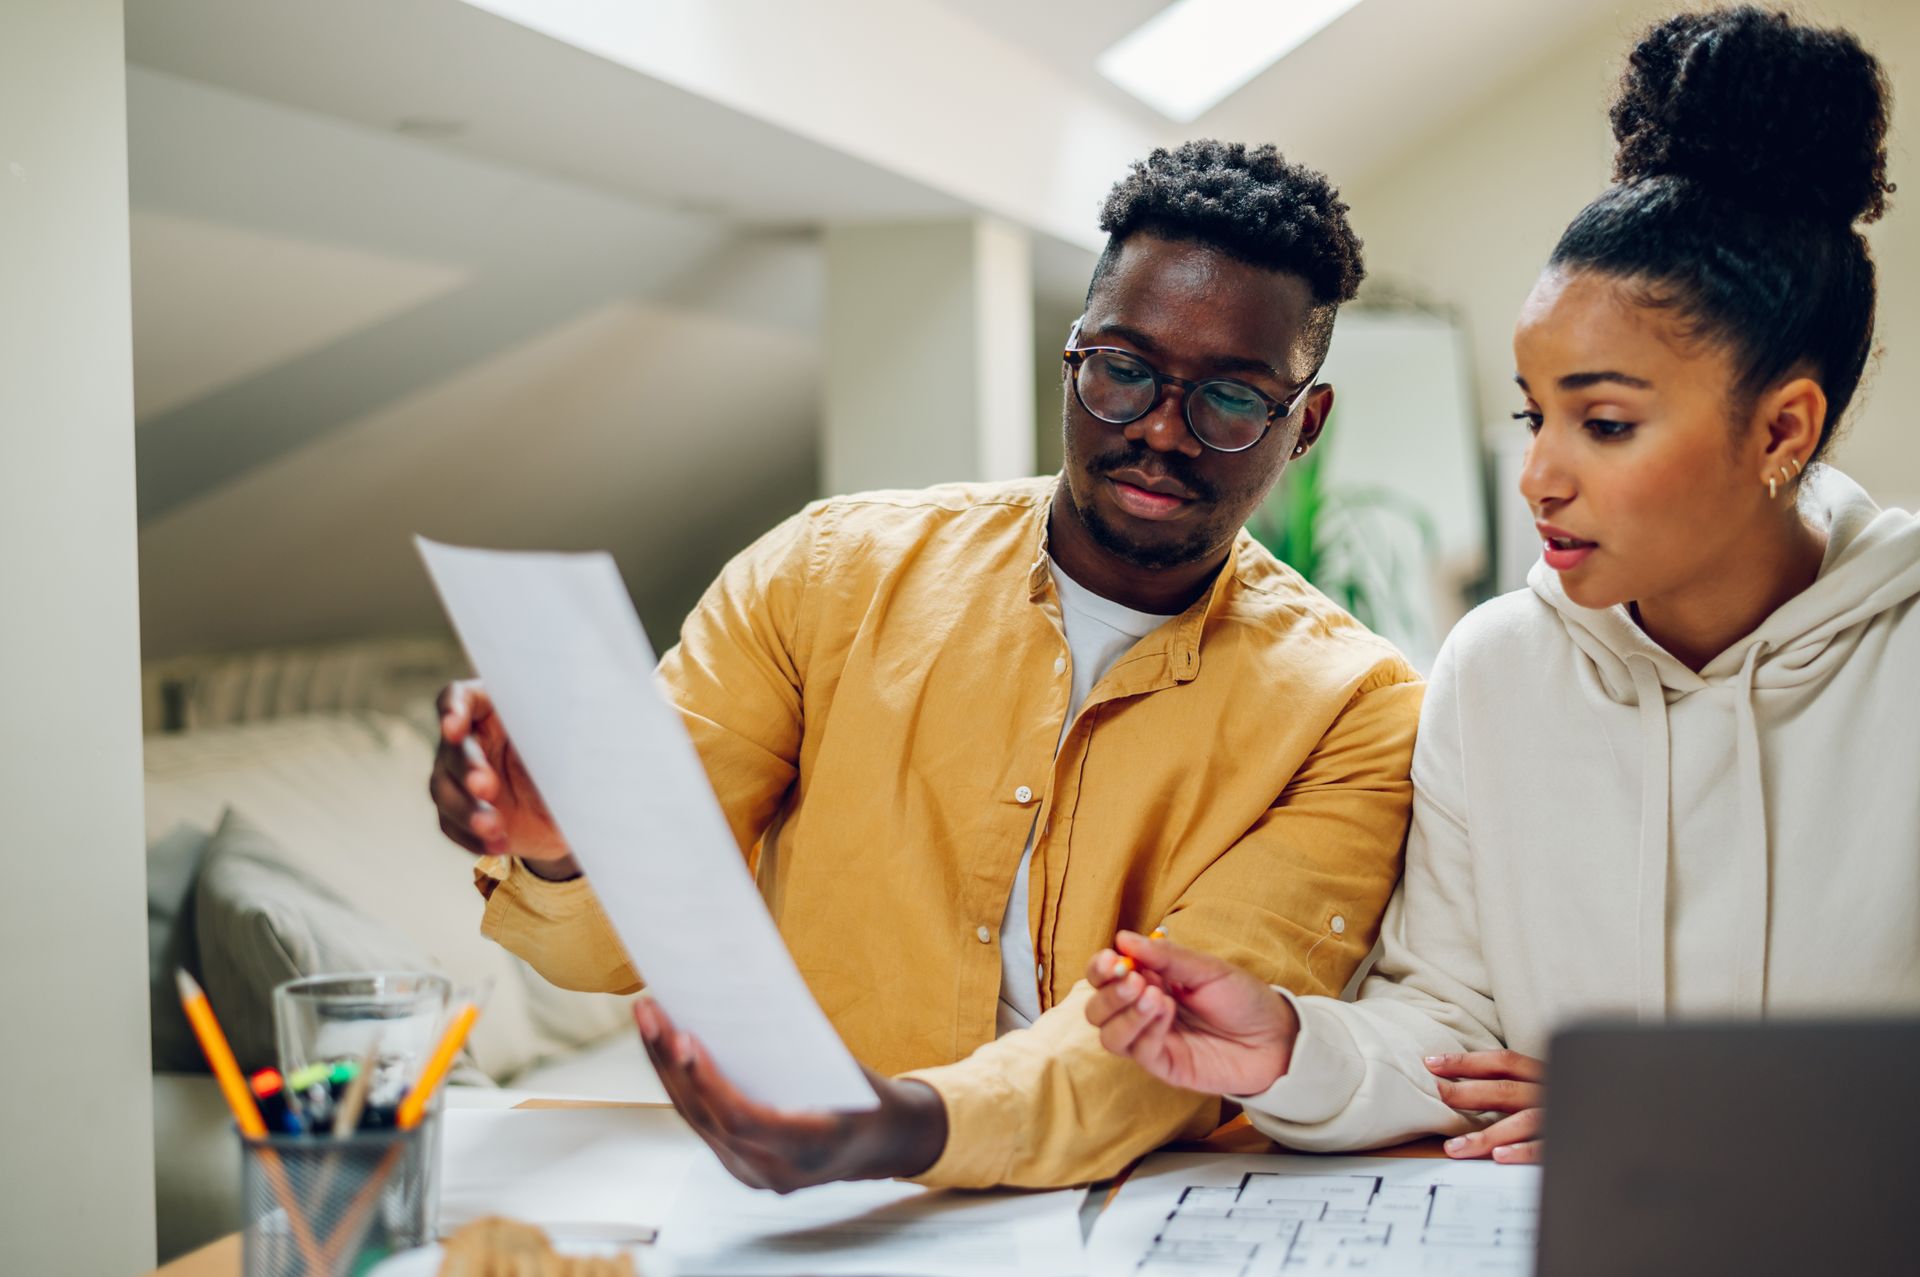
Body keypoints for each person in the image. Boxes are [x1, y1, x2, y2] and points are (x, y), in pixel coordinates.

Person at [430, 141, 1425, 1190]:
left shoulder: (1355, 709)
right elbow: (610, 951)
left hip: (1136, 1217)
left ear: (1302, 423)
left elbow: (1182, 1045)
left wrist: (901, 1124)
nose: (1162, 432)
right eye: (1125, 371)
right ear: (1075, 356)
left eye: (1230, 399)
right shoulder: (824, 575)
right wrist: (557, 844)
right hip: (810, 1207)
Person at [1087, 6, 1920, 1166]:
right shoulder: (1499, 668)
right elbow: (1449, 1020)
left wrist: (1697, 1113)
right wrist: (1283, 1048)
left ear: (1782, 427)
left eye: (1607, 421)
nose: (1539, 474)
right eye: (1537, 413)